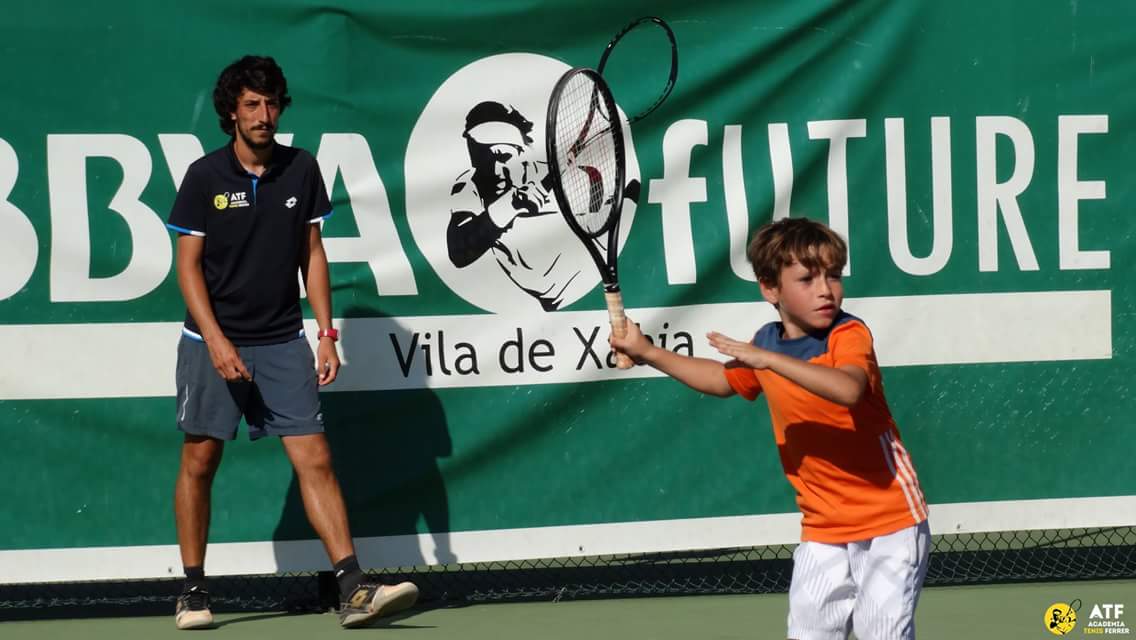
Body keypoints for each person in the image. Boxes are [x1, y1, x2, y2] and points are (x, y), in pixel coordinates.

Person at [166, 55, 417, 630]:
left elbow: (313, 254)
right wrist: (216, 340)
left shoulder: (302, 169)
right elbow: (188, 268)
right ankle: (193, 589)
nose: (263, 114)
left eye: (271, 103)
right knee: (200, 461)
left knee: (316, 457)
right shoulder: (205, 177)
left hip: (283, 340)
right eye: (251, 104)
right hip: (211, 340)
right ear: (231, 112)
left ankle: (353, 587)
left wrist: (326, 334)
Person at [611, 217, 930, 640]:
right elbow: (722, 381)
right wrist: (648, 352)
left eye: (833, 276)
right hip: (823, 527)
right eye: (806, 278)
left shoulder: (847, 334)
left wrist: (768, 361)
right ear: (769, 288)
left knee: (881, 633)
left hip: (890, 521)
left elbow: (848, 390)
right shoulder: (767, 341)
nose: (825, 289)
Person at [445, 101, 582, 311]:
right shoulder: (468, 187)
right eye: (483, 158)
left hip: (585, 285)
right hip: (552, 306)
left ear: (522, 154)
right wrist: (510, 206)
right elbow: (458, 252)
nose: (495, 170)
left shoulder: (565, 177)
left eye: (503, 157)